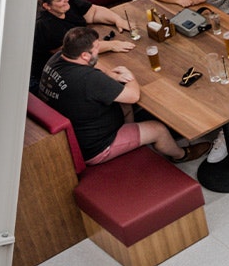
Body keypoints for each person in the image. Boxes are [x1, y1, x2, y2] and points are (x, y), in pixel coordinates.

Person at [37, 27, 210, 165]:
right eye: (96, 49)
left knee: (124, 104)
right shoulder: (88, 80)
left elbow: (95, 69)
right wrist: (129, 76)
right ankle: (181, 155)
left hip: (79, 129)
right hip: (97, 146)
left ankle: (134, 132)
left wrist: (112, 76)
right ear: (84, 55)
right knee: (158, 129)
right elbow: (133, 95)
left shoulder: (59, 58)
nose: (99, 50)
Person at [32, 0, 135, 88]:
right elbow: (74, 51)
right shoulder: (43, 25)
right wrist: (112, 45)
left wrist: (117, 20)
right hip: (54, 75)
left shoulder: (67, 1)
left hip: (83, 54)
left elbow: (93, 12)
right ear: (47, 6)